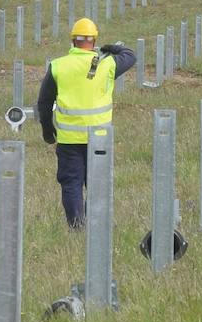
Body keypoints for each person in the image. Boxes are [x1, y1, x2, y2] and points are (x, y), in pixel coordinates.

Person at [36, 18, 135, 229]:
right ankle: (96, 227)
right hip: (99, 138)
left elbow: (44, 103)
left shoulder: (58, 66)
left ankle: (77, 226)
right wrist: (111, 48)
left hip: (69, 140)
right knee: (97, 184)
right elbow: (130, 55)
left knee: (71, 183)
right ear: (94, 40)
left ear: (72, 41)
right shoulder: (106, 65)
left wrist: (47, 130)